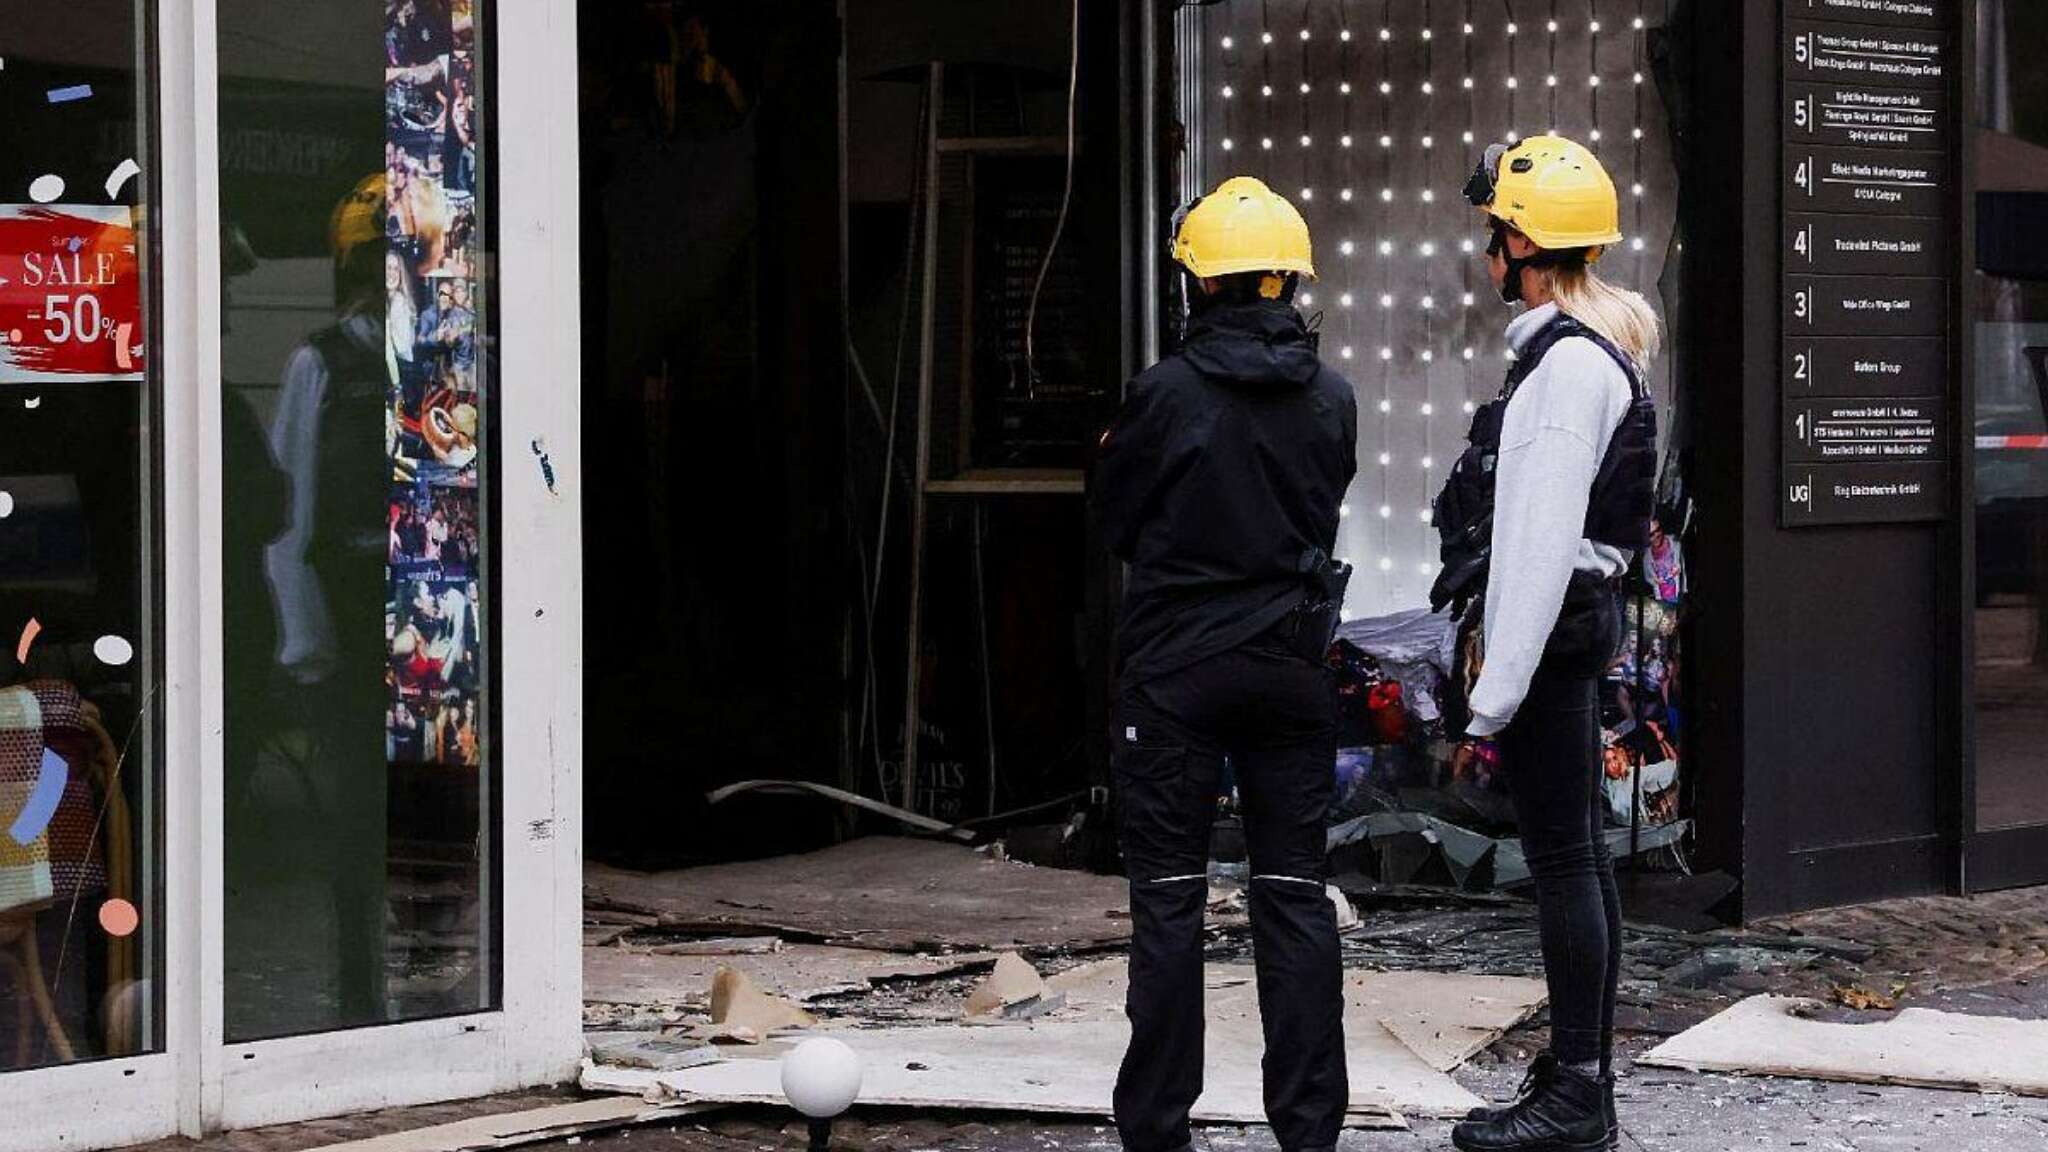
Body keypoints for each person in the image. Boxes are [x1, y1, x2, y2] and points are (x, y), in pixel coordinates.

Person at [1091, 176, 1358, 1152]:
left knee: (1167, 901)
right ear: (1286, 281)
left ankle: (1159, 1131)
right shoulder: (1331, 397)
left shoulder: (1163, 395)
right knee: (1292, 897)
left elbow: (1116, 522)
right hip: (1289, 669)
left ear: (1196, 286)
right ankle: (1307, 1132)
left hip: (1174, 675)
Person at [1432, 136, 1661, 1152]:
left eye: (1491, 232)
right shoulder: (1578, 354)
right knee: (1577, 862)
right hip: (1568, 643)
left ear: (1519, 243)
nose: (1484, 251)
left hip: (1544, 649)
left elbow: (1531, 550)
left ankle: (1577, 1093)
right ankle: (1579, 1082)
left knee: (1566, 861)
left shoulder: (1563, 372)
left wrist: (1488, 702)